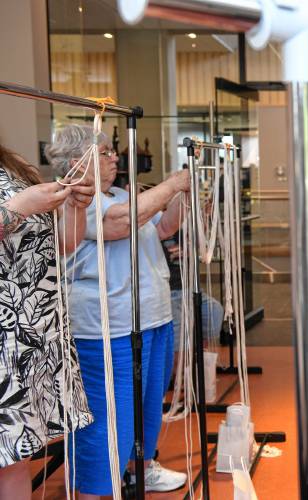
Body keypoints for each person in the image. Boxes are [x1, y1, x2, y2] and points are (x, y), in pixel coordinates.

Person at [45, 125, 190, 497]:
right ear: (77, 163)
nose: (114, 158)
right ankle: (93, 491)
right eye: (106, 152)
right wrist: (171, 185)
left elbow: (166, 227)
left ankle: (141, 467)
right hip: (106, 326)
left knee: (145, 408)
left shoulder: (123, 195)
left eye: (112, 152)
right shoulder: (75, 199)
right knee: (109, 418)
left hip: (152, 317)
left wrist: (181, 194)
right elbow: (119, 223)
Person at [0, 141, 94, 500]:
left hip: (32, 334)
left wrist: (75, 206)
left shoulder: (15, 164)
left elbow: (63, 244)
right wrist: (22, 205)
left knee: (15, 456)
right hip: (6, 336)